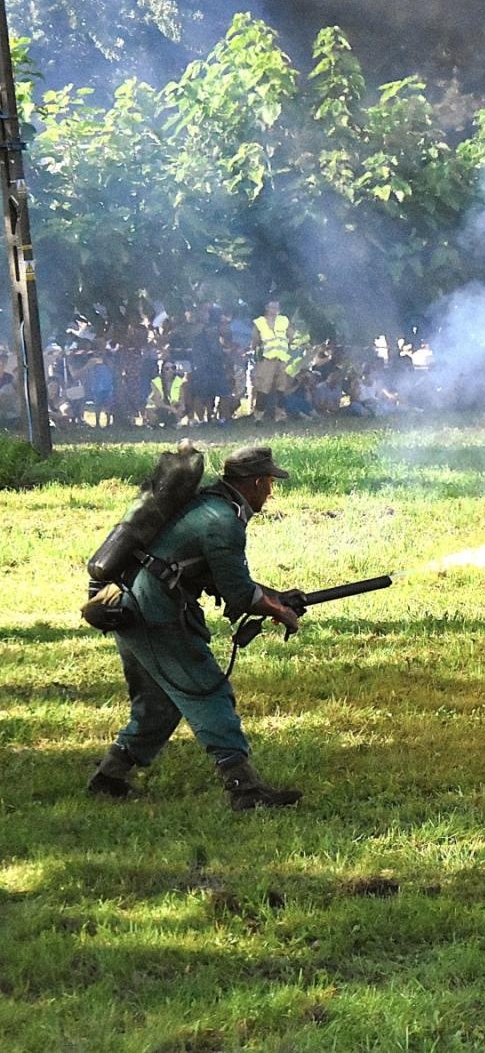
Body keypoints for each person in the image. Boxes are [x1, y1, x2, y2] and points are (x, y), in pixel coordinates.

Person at [86, 446, 305, 810]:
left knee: (159, 704)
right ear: (255, 482)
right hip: (151, 613)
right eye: (269, 483)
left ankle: (109, 778)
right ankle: (245, 790)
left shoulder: (209, 506)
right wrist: (276, 609)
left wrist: (277, 597)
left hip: (132, 604)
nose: (270, 491)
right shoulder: (223, 522)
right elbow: (237, 591)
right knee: (207, 691)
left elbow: (217, 577)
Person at [250, 299, 295, 423]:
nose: (275, 310)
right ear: (267, 308)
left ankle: (280, 416)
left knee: (281, 388)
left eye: (277, 307)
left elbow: (291, 336)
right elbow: (255, 341)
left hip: (282, 359)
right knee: (263, 388)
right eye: (272, 307)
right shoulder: (259, 323)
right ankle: (258, 416)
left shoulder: (284, 320)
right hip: (267, 359)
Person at [144, 361, 186, 428]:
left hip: (174, 406)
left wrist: (180, 407)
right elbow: (158, 402)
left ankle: (175, 422)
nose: (170, 370)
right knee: (151, 412)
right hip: (159, 407)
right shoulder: (156, 382)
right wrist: (170, 408)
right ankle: (153, 423)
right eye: (167, 369)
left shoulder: (179, 381)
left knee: (182, 408)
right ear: (162, 371)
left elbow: (182, 398)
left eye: (173, 368)